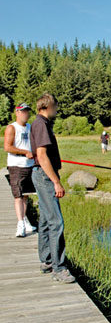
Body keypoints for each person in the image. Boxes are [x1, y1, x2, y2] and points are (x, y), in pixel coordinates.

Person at [30, 93, 75, 283]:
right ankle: (59, 268)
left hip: (41, 174)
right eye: (55, 107)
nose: (57, 110)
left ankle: (47, 260)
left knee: (46, 221)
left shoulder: (40, 124)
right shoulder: (41, 124)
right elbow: (41, 155)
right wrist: (56, 181)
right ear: (48, 107)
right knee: (56, 222)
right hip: (44, 176)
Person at [4, 103, 37, 237]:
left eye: (27, 111)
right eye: (23, 111)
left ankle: (25, 220)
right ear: (17, 112)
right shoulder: (12, 127)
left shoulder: (30, 127)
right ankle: (20, 224)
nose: (26, 114)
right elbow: (8, 147)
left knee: (26, 195)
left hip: (29, 165)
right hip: (16, 165)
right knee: (18, 196)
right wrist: (24, 152)